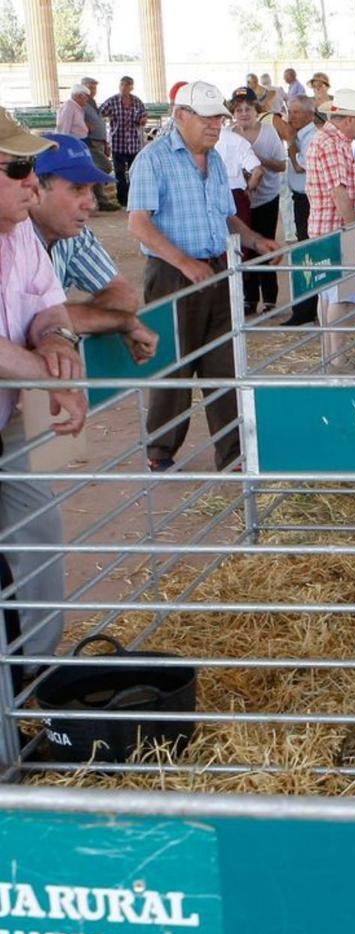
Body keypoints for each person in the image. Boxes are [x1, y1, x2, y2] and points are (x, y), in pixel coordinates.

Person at [127, 80, 280, 471]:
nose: (216, 125)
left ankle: (232, 454)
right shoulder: (153, 158)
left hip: (216, 268)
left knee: (223, 362)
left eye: (219, 118)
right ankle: (160, 451)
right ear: (181, 116)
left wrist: (254, 239)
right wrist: (182, 261)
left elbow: (225, 213)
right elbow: (139, 224)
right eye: (208, 117)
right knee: (175, 362)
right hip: (173, 275)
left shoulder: (214, 160)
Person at [0, 112, 88, 667]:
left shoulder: (21, 235)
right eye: (19, 168)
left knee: (39, 532)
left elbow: (47, 304)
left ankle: (32, 678)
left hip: (6, 424)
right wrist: (48, 375)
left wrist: (56, 340)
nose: (33, 181)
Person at [30, 133, 157, 360]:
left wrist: (57, 324)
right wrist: (122, 322)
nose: (90, 203)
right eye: (77, 189)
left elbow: (124, 296)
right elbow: (21, 322)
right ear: (36, 189)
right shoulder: (10, 240)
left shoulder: (74, 234)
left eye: (91, 190)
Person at [306, 87, 355, 368]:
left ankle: (330, 352)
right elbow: (339, 192)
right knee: (339, 295)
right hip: (336, 229)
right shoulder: (332, 144)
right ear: (348, 120)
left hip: (327, 227)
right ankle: (337, 355)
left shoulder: (331, 140)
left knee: (328, 291)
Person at [231, 92, 287, 315]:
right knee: (244, 248)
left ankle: (270, 299)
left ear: (256, 111)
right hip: (240, 200)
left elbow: (282, 165)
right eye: (238, 110)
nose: (244, 113)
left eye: (248, 109)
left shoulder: (269, 133)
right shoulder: (227, 135)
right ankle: (248, 298)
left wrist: (256, 159)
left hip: (266, 198)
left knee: (265, 244)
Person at [282, 94, 318, 324]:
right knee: (306, 253)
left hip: (309, 200)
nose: (290, 117)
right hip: (301, 199)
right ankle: (305, 308)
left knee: (308, 255)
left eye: (295, 112)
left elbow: (299, 165)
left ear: (309, 114)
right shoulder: (301, 136)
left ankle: (305, 310)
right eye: (290, 111)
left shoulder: (311, 137)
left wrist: (290, 141)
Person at [216, 90, 263, 234]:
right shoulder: (237, 140)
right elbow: (258, 171)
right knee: (240, 244)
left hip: (210, 196)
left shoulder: (197, 141)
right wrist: (248, 189)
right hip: (236, 196)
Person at [99, 76, 147, 208]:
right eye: (122, 85)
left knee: (134, 172)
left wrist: (143, 119)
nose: (124, 87)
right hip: (118, 142)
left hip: (133, 143)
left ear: (131, 87)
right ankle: (122, 199)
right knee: (119, 173)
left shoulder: (137, 102)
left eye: (127, 85)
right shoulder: (112, 101)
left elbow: (143, 115)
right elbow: (99, 113)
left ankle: (134, 197)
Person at [79, 77, 118, 210]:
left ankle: (101, 200)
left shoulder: (92, 102)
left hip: (99, 141)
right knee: (103, 167)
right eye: (91, 87)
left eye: (94, 87)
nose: (93, 90)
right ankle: (92, 194)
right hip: (90, 141)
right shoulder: (81, 103)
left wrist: (105, 142)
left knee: (99, 168)